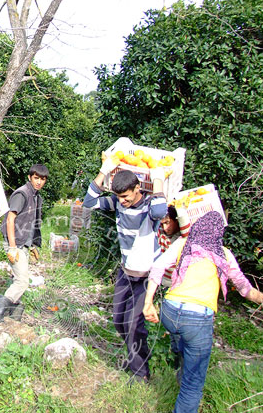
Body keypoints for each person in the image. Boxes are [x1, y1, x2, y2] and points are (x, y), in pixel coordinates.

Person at [143, 211, 263, 413]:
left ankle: (180, 365)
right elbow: (246, 291)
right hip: (197, 319)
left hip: (170, 311)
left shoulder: (183, 244)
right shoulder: (224, 255)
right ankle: (185, 385)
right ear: (219, 232)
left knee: (182, 341)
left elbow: (157, 267)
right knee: (194, 384)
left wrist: (148, 302)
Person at [83, 159, 168, 382]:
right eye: (119, 197)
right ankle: (135, 358)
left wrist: (158, 177)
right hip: (125, 272)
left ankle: (141, 373)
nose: (122, 201)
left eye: (126, 196)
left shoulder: (150, 206)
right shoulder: (119, 203)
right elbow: (89, 202)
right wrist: (104, 171)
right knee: (119, 320)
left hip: (145, 277)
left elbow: (161, 211)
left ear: (137, 188)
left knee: (133, 324)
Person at [0, 164, 49, 324]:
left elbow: (31, 222)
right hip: (15, 243)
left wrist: (33, 245)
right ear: (30, 177)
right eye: (36, 178)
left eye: (42, 179)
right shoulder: (22, 194)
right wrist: (12, 247)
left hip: (24, 244)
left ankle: (14, 318)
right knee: (22, 280)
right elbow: (10, 219)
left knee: (20, 278)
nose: (39, 182)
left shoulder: (36, 196)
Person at [158, 205, 191, 287]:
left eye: (167, 223)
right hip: (165, 282)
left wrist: (178, 205)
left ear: (176, 220)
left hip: (181, 284)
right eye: (162, 224)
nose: (165, 228)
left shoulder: (184, 237)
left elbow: (185, 225)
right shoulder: (161, 235)